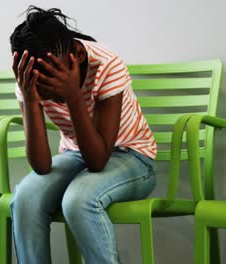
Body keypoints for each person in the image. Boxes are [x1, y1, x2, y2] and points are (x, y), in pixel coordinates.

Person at [9, 6, 157, 264]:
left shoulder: (107, 64)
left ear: (76, 55)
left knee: (78, 200)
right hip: (76, 155)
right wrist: (31, 100)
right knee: (25, 198)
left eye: (53, 87)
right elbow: (42, 166)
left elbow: (98, 161)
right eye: (43, 90)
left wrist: (73, 97)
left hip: (133, 156)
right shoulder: (29, 78)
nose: (50, 96)